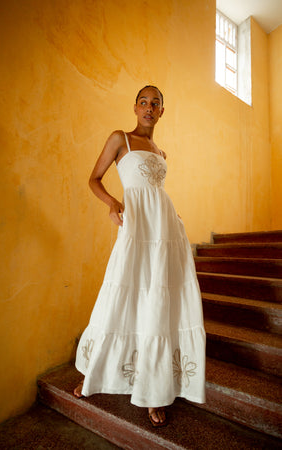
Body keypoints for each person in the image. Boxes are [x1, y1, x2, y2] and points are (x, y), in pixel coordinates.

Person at [74, 86, 206, 427]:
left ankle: (153, 391)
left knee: (158, 303)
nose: (149, 107)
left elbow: (157, 192)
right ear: (135, 107)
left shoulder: (162, 153)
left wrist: (174, 220)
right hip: (135, 228)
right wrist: (113, 204)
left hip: (165, 231)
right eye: (144, 102)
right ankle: (94, 374)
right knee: (120, 294)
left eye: (156, 103)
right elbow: (94, 178)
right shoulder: (121, 139)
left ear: (162, 111)